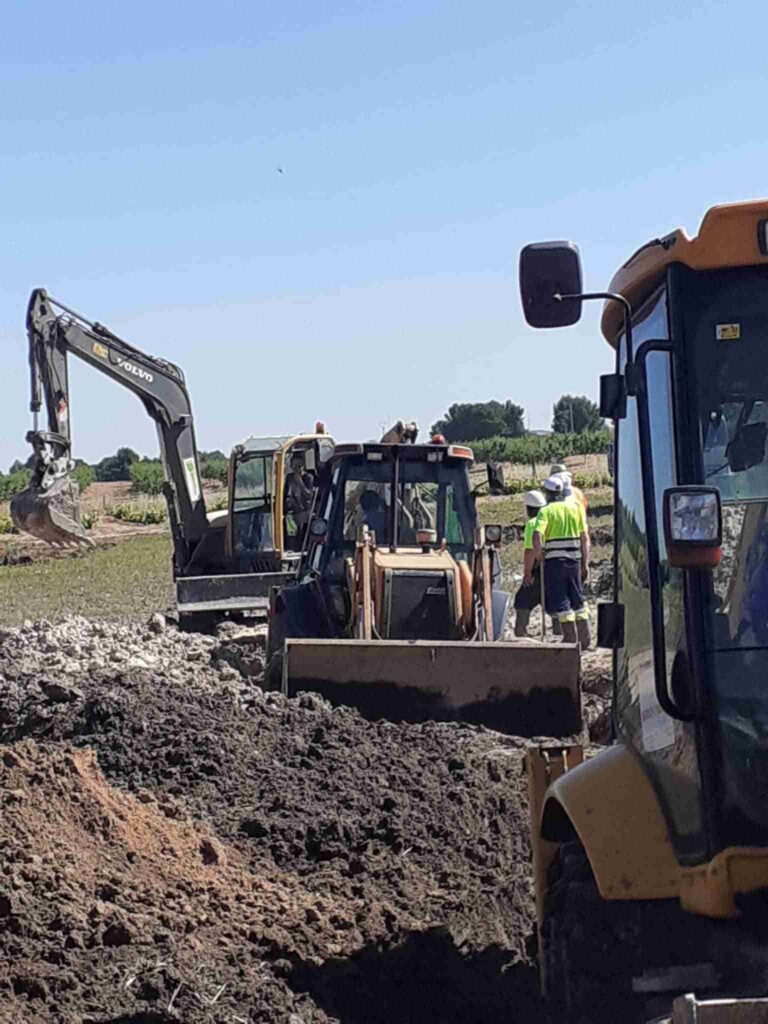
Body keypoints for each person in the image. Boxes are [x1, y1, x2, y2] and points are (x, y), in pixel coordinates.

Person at [533, 475, 591, 648]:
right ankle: (585, 638)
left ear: (548, 493)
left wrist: (539, 555)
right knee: (578, 598)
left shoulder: (546, 511)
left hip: (554, 562)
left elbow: (537, 535)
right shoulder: (576, 509)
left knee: (561, 599)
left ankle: (570, 638)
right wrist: (585, 563)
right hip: (574, 561)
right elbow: (585, 537)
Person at [513, 489, 546, 636]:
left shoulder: (532, 524)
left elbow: (530, 551)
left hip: (537, 568)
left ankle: (521, 630)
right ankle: (559, 629)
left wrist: (527, 574)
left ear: (528, 508)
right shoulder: (548, 519)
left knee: (522, 599)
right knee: (552, 599)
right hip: (553, 565)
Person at [284, 454, 314, 548]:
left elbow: (309, 495)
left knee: (303, 529)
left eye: (299, 466)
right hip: (292, 511)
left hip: (305, 510)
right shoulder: (289, 478)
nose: (297, 469)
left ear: (303, 466)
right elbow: (285, 494)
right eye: (294, 466)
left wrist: (300, 482)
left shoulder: (308, 477)